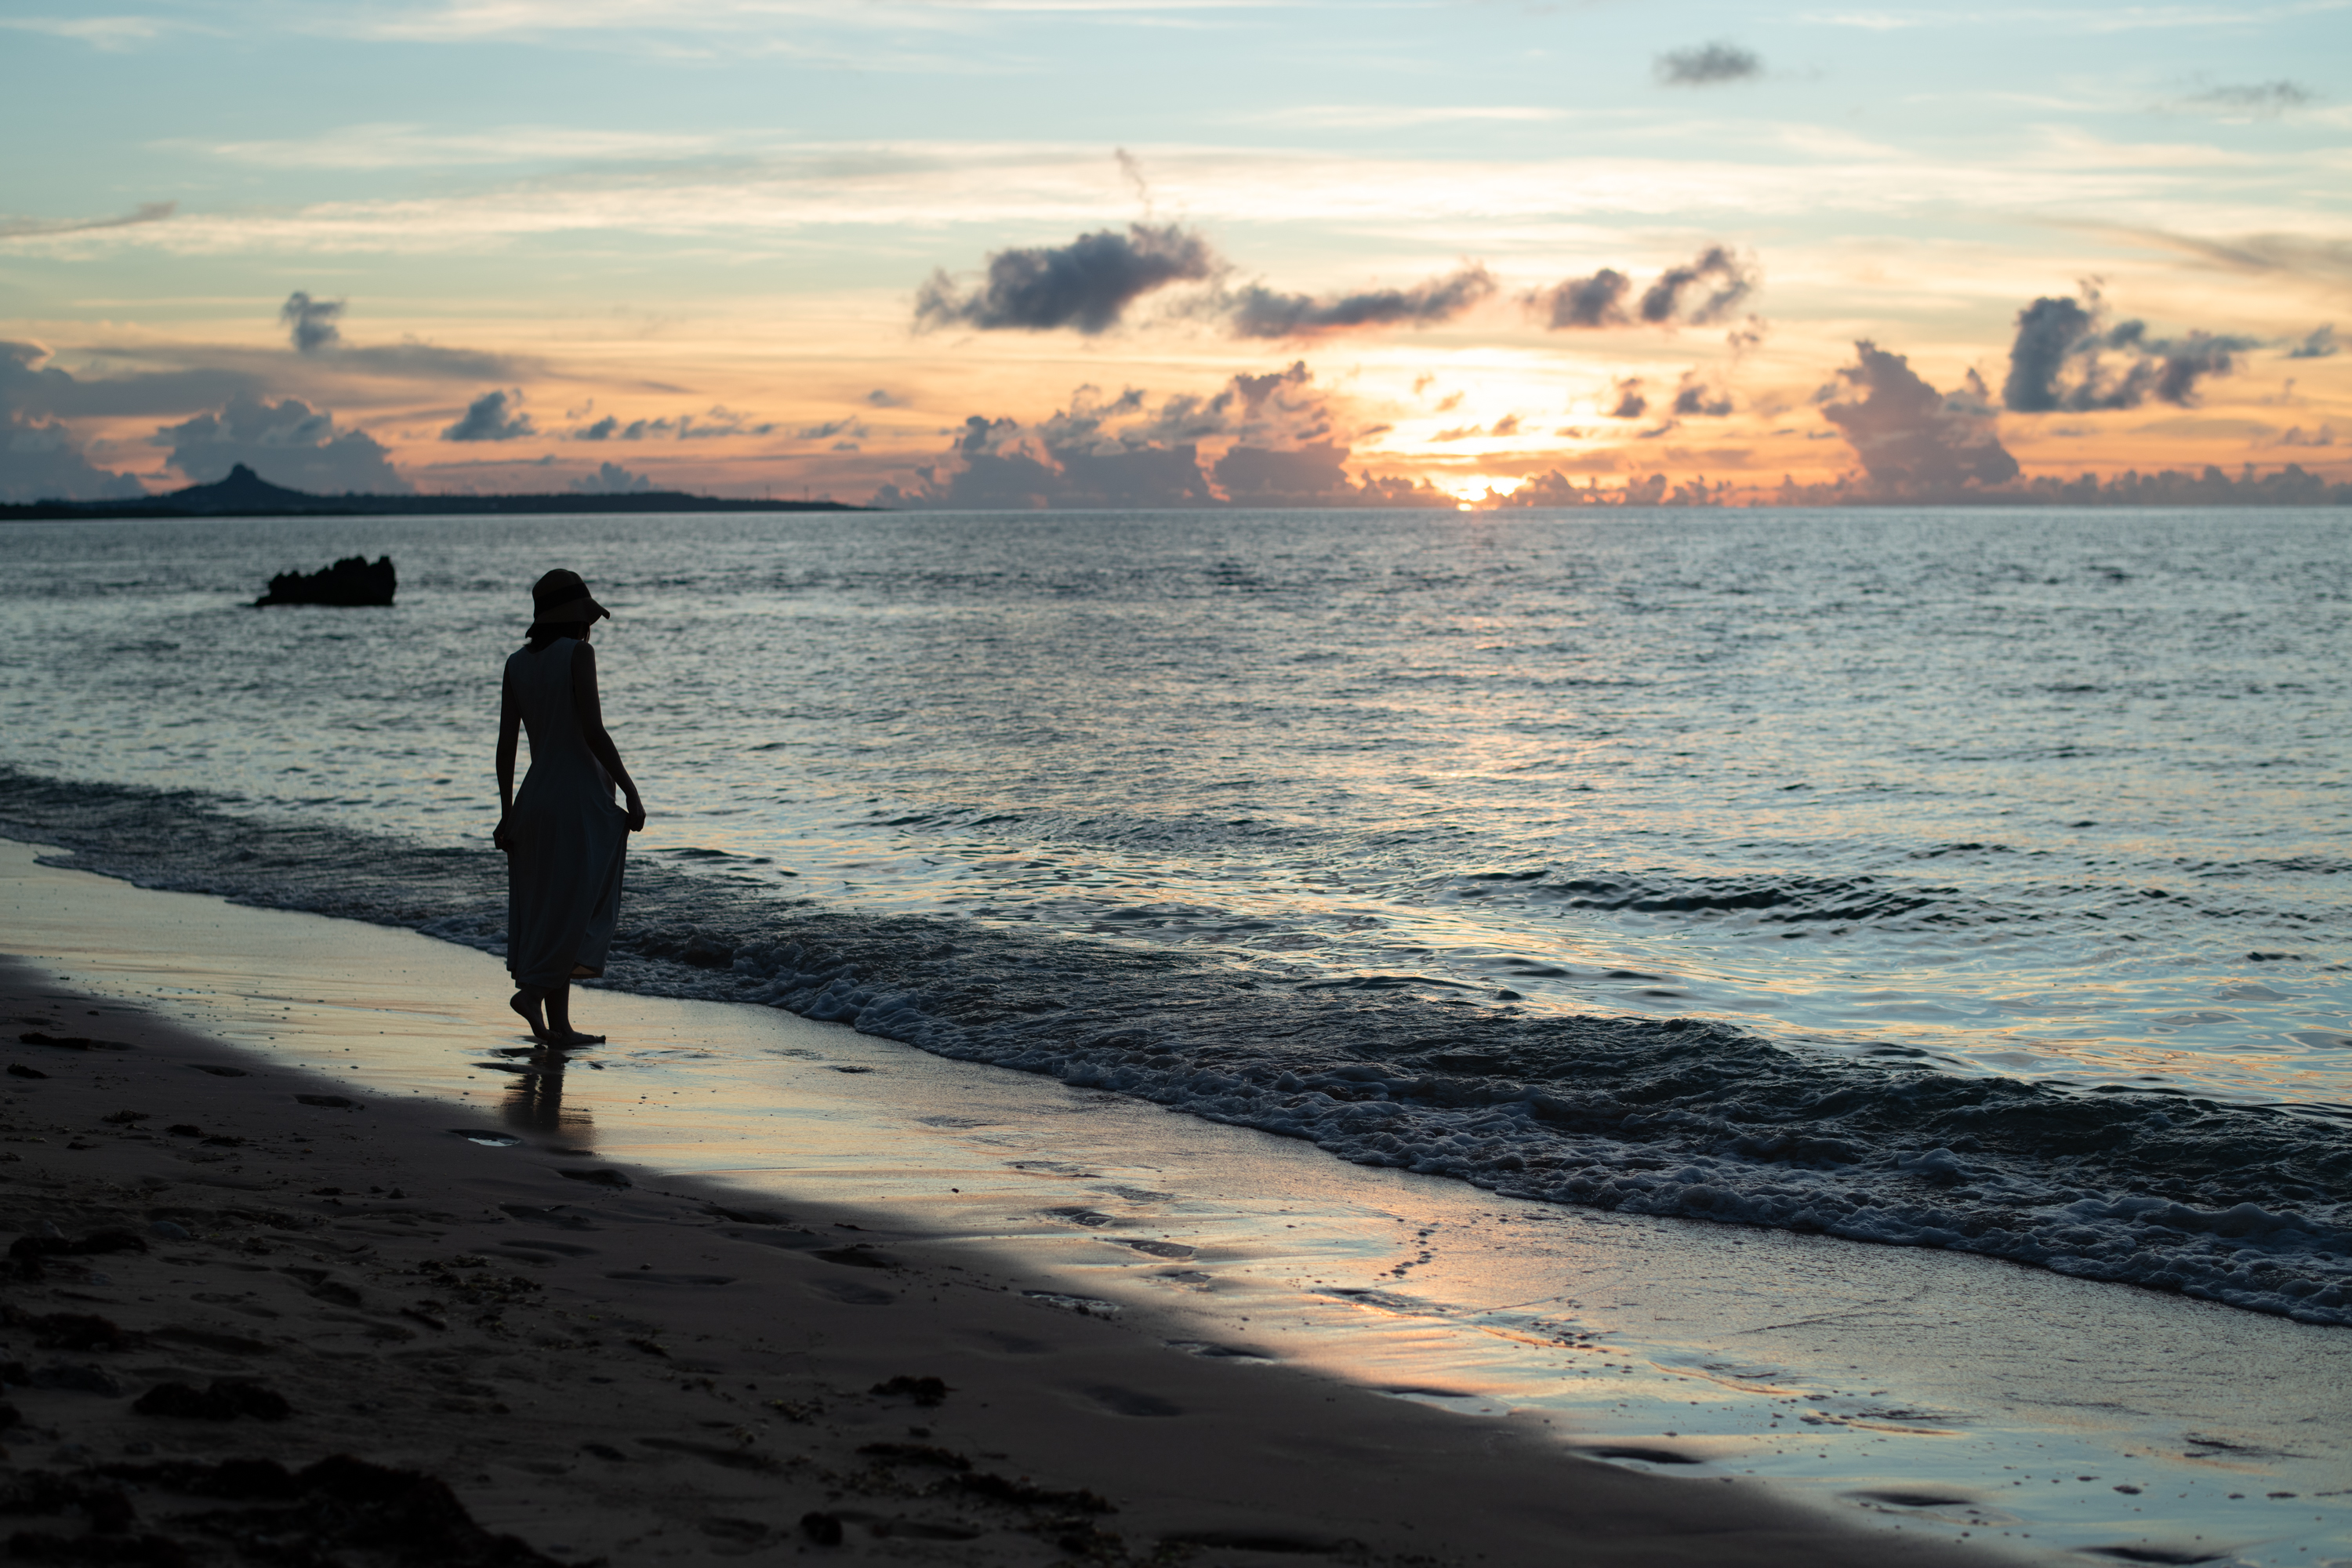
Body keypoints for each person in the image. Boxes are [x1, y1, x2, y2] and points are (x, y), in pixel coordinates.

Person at [494, 568, 646, 1044]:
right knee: (578, 907)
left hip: (536, 799)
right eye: (586, 618)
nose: (590, 628)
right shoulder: (579, 654)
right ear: (575, 618)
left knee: (552, 907)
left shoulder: (517, 664)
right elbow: (594, 730)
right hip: (578, 798)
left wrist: (507, 811)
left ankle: (559, 1025)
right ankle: (533, 994)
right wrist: (631, 790)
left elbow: (505, 747)